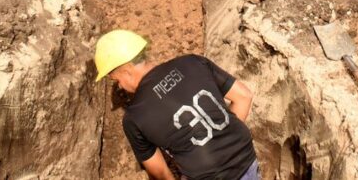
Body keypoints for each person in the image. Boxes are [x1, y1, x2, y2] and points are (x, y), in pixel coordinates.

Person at [94, 30, 259, 180]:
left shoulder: (133, 118)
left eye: (117, 80)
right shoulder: (193, 62)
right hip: (246, 162)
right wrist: (224, 140)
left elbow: (160, 173)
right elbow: (244, 96)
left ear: (127, 70)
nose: (121, 86)